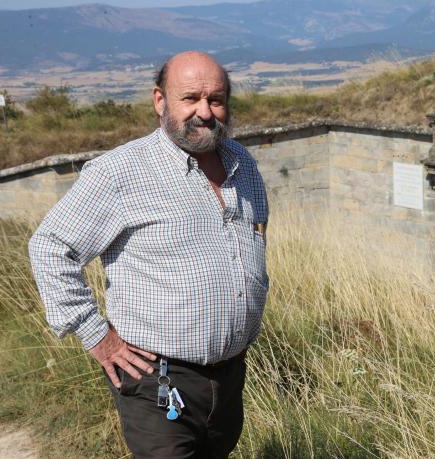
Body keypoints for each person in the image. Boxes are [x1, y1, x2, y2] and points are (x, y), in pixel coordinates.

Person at [28, 51, 269, 458]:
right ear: (160, 101)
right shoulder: (119, 173)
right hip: (157, 379)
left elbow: (254, 239)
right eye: (190, 98)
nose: (205, 112)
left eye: (216, 99)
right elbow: (51, 249)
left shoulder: (241, 163)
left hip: (228, 378)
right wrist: (97, 337)